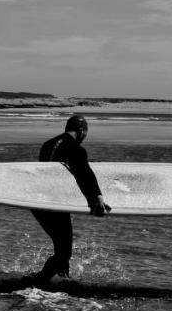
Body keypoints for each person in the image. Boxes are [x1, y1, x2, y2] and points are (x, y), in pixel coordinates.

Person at [28, 114, 111, 285]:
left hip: (37, 202)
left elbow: (56, 170)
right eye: (85, 134)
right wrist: (97, 198)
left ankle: (57, 277)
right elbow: (84, 173)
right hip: (55, 204)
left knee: (61, 246)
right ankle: (45, 279)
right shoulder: (76, 149)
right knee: (64, 249)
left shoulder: (48, 145)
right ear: (82, 131)